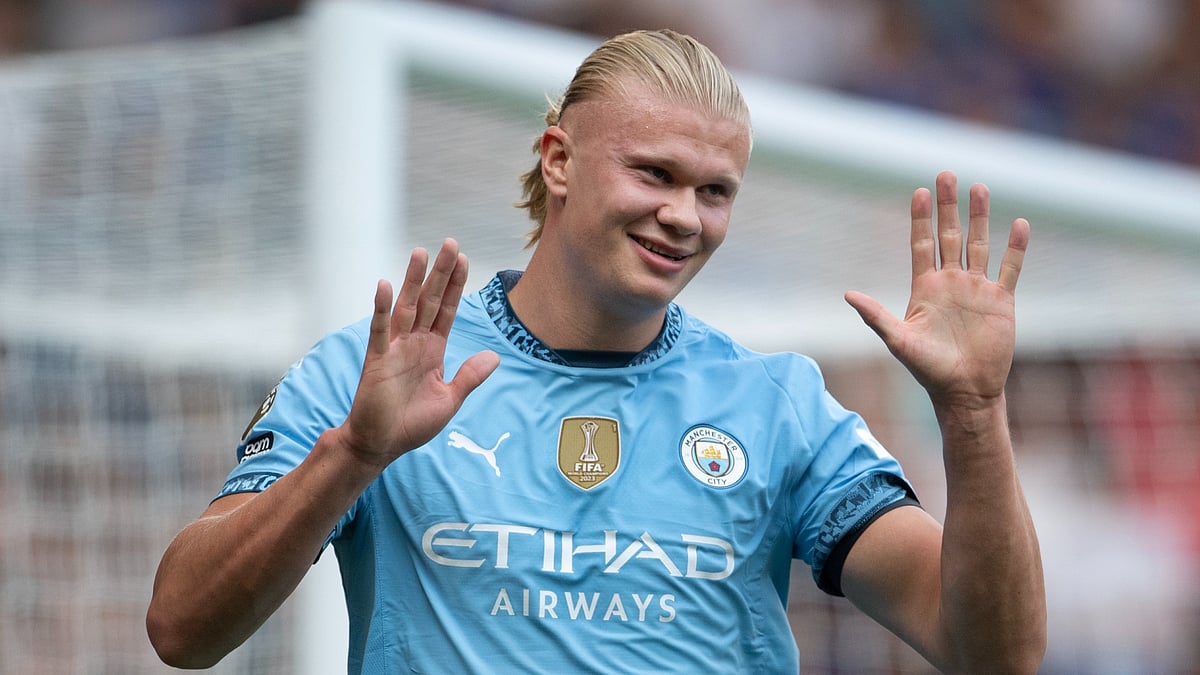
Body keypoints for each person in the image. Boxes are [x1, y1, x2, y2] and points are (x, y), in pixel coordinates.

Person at [147, 28, 1046, 673]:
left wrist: (973, 414)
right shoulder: (380, 371)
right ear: (560, 160)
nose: (685, 215)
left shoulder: (776, 403)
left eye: (715, 190)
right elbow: (182, 629)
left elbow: (992, 654)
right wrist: (354, 453)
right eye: (654, 173)